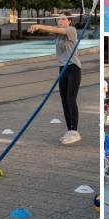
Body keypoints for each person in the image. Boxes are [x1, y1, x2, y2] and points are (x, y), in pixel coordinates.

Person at [28, 13, 84, 144]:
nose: (60, 21)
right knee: (64, 100)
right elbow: (53, 31)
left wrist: (38, 25)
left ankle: (75, 131)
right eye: (59, 19)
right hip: (62, 68)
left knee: (71, 99)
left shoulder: (71, 30)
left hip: (73, 68)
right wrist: (34, 29)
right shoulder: (59, 35)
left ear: (69, 21)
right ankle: (70, 130)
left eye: (63, 19)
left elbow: (53, 29)